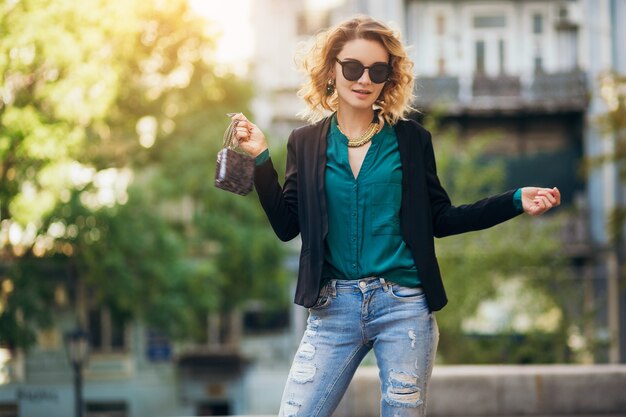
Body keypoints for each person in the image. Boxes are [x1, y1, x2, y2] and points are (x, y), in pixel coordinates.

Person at [230, 15, 561, 417]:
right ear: (332, 70)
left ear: (390, 78)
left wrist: (513, 201)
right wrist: (261, 158)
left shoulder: (412, 140)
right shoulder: (306, 142)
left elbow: (442, 218)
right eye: (352, 67)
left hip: (403, 307)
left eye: (377, 70)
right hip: (332, 309)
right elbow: (287, 227)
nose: (363, 79)